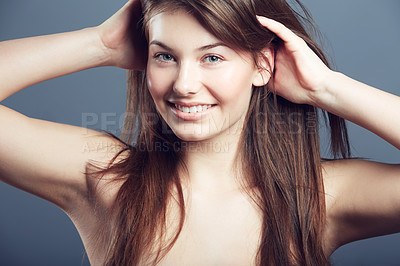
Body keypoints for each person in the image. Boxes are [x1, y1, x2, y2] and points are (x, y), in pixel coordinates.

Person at [0, 0, 399, 265]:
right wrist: (100, 43)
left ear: (262, 65)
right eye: (166, 56)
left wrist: (325, 88)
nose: (184, 84)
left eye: (212, 57)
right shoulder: (106, 179)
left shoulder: (319, 197)